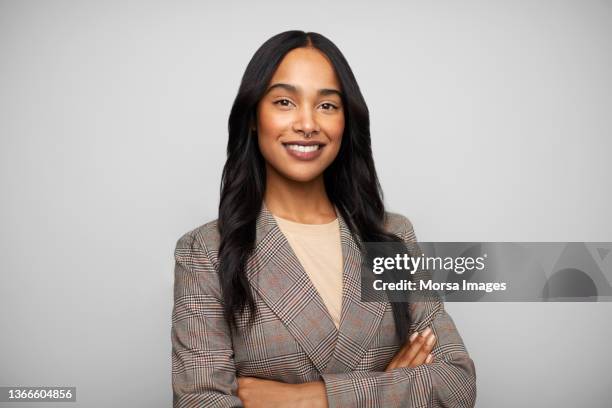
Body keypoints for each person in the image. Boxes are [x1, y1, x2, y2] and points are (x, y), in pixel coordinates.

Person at [171, 30, 476, 408]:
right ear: (253, 116)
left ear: (346, 121)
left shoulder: (391, 235)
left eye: (327, 106)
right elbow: (201, 402)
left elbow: (457, 382)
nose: (307, 124)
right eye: (284, 101)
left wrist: (307, 399)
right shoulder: (205, 251)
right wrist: (390, 389)